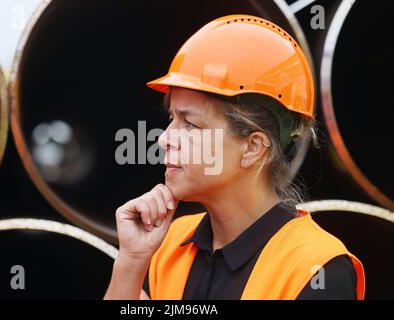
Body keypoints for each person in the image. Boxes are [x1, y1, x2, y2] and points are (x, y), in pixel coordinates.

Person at [104, 14, 365, 300]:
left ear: (252, 147)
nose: (164, 138)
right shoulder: (168, 244)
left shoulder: (316, 270)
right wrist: (131, 261)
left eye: (190, 124)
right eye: (172, 118)